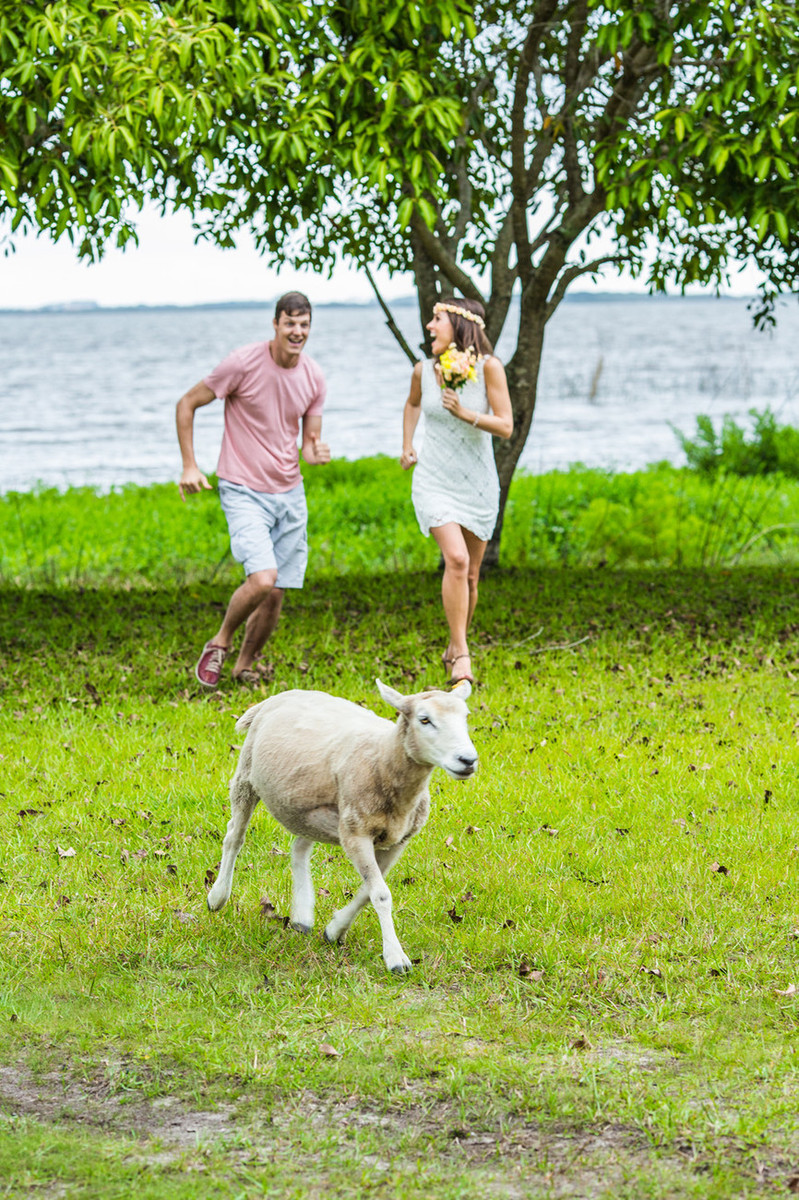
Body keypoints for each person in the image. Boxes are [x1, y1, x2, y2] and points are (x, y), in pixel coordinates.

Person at [176, 291, 330, 688]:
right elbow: (187, 403)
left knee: (276, 593)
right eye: (290, 323)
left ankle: (244, 665)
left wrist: (316, 452)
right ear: (276, 325)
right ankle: (221, 642)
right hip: (243, 487)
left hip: (289, 492)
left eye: (304, 325)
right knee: (262, 579)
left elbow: (309, 442)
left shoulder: (313, 376)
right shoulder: (243, 363)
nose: (297, 331)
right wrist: (190, 465)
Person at [401, 297, 513, 685]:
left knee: (471, 577)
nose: (429, 326)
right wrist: (407, 444)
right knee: (457, 560)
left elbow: (506, 426)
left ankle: (454, 644)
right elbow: (412, 405)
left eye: (437, 319)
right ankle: (463, 654)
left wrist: (466, 413)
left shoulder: (489, 369)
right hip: (433, 479)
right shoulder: (423, 370)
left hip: (477, 482)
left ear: (460, 326)